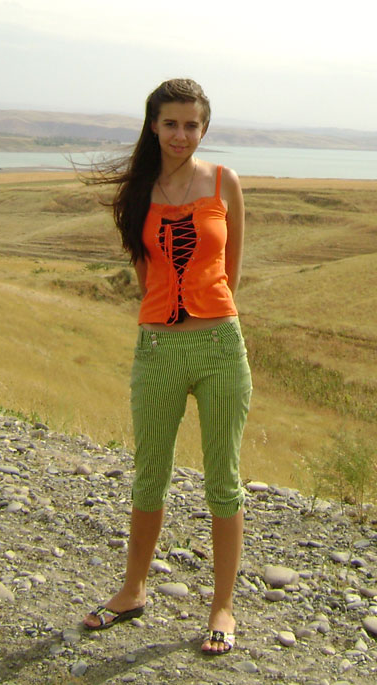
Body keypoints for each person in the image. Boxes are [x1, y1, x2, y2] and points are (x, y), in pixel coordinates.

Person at [82, 78, 252, 654]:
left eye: (192, 124)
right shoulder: (137, 193)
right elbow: (146, 274)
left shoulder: (224, 181)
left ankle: (222, 608)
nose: (182, 134)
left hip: (220, 347)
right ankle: (132, 591)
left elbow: (231, 267)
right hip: (157, 350)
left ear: (204, 128)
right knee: (149, 472)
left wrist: (208, 315)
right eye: (171, 123)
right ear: (153, 125)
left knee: (223, 480)